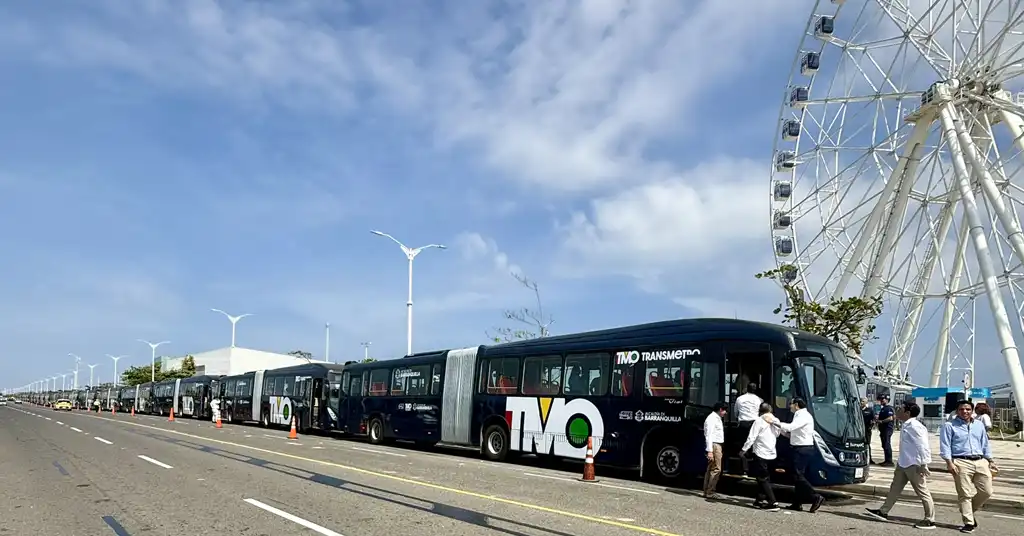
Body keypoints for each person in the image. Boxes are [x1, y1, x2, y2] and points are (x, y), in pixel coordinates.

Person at [864, 401, 936, 530]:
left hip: (914, 464)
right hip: (903, 463)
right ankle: (883, 511)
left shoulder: (915, 426)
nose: (897, 410)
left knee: (922, 491)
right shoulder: (906, 424)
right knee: (895, 488)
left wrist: (924, 464)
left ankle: (930, 520)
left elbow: (923, 446)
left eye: (900, 409)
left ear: (907, 413)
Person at [940, 399, 998, 533]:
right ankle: (969, 522)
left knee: (987, 491)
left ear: (972, 411)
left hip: (980, 461)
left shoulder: (979, 425)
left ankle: (969, 511)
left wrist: (990, 460)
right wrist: (949, 463)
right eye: (961, 409)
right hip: (961, 461)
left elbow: (985, 443)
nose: (965, 411)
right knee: (965, 494)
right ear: (957, 411)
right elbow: (945, 445)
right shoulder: (949, 425)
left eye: (967, 409)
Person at [765, 398, 824, 513]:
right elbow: (792, 434)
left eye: (790, 404)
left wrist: (773, 422)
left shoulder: (803, 415)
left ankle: (815, 496)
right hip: (800, 448)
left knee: (797, 476)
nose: (789, 406)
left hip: (802, 449)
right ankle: (797, 502)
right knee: (797, 476)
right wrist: (779, 429)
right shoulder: (800, 415)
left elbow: (790, 427)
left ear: (796, 405)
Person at [740, 402, 781, 511]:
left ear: (760, 411)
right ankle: (759, 500)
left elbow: (752, 437)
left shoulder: (758, 421)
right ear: (770, 410)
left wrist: (744, 449)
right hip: (772, 453)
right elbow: (777, 434)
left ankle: (773, 502)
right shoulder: (776, 420)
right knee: (765, 478)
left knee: (762, 479)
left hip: (760, 453)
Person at [703, 402, 728, 500]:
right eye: (725, 410)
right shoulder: (712, 418)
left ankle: (707, 491)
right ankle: (710, 492)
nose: (725, 413)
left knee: (710, 469)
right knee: (716, 469)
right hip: (715, 445)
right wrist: (710, 451)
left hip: (715, 445)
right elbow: (709, 435)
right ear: (721, 409)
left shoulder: (716, 418)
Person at [877, 395, 895, 466]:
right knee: (884, 444)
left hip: (887, 429)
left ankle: (889, 461)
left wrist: (882, 421)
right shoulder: (883, 409)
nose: (881, 400)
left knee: (887, 444)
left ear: (887, 400)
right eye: (881, 399)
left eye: (883, 399)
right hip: (883, 429)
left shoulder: (889, 408)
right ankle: (886, 460)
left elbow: (890, 418)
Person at [861, 398, 877, 463]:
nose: (861, 402)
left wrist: (871, 427)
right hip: (859, 430)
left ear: (866, 402)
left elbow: (874, 419)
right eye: (861, 401)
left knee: (867, 444)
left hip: (867, 430)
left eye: (863, 401)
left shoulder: (870, 410)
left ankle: (869, 458)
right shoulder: (858, 410)